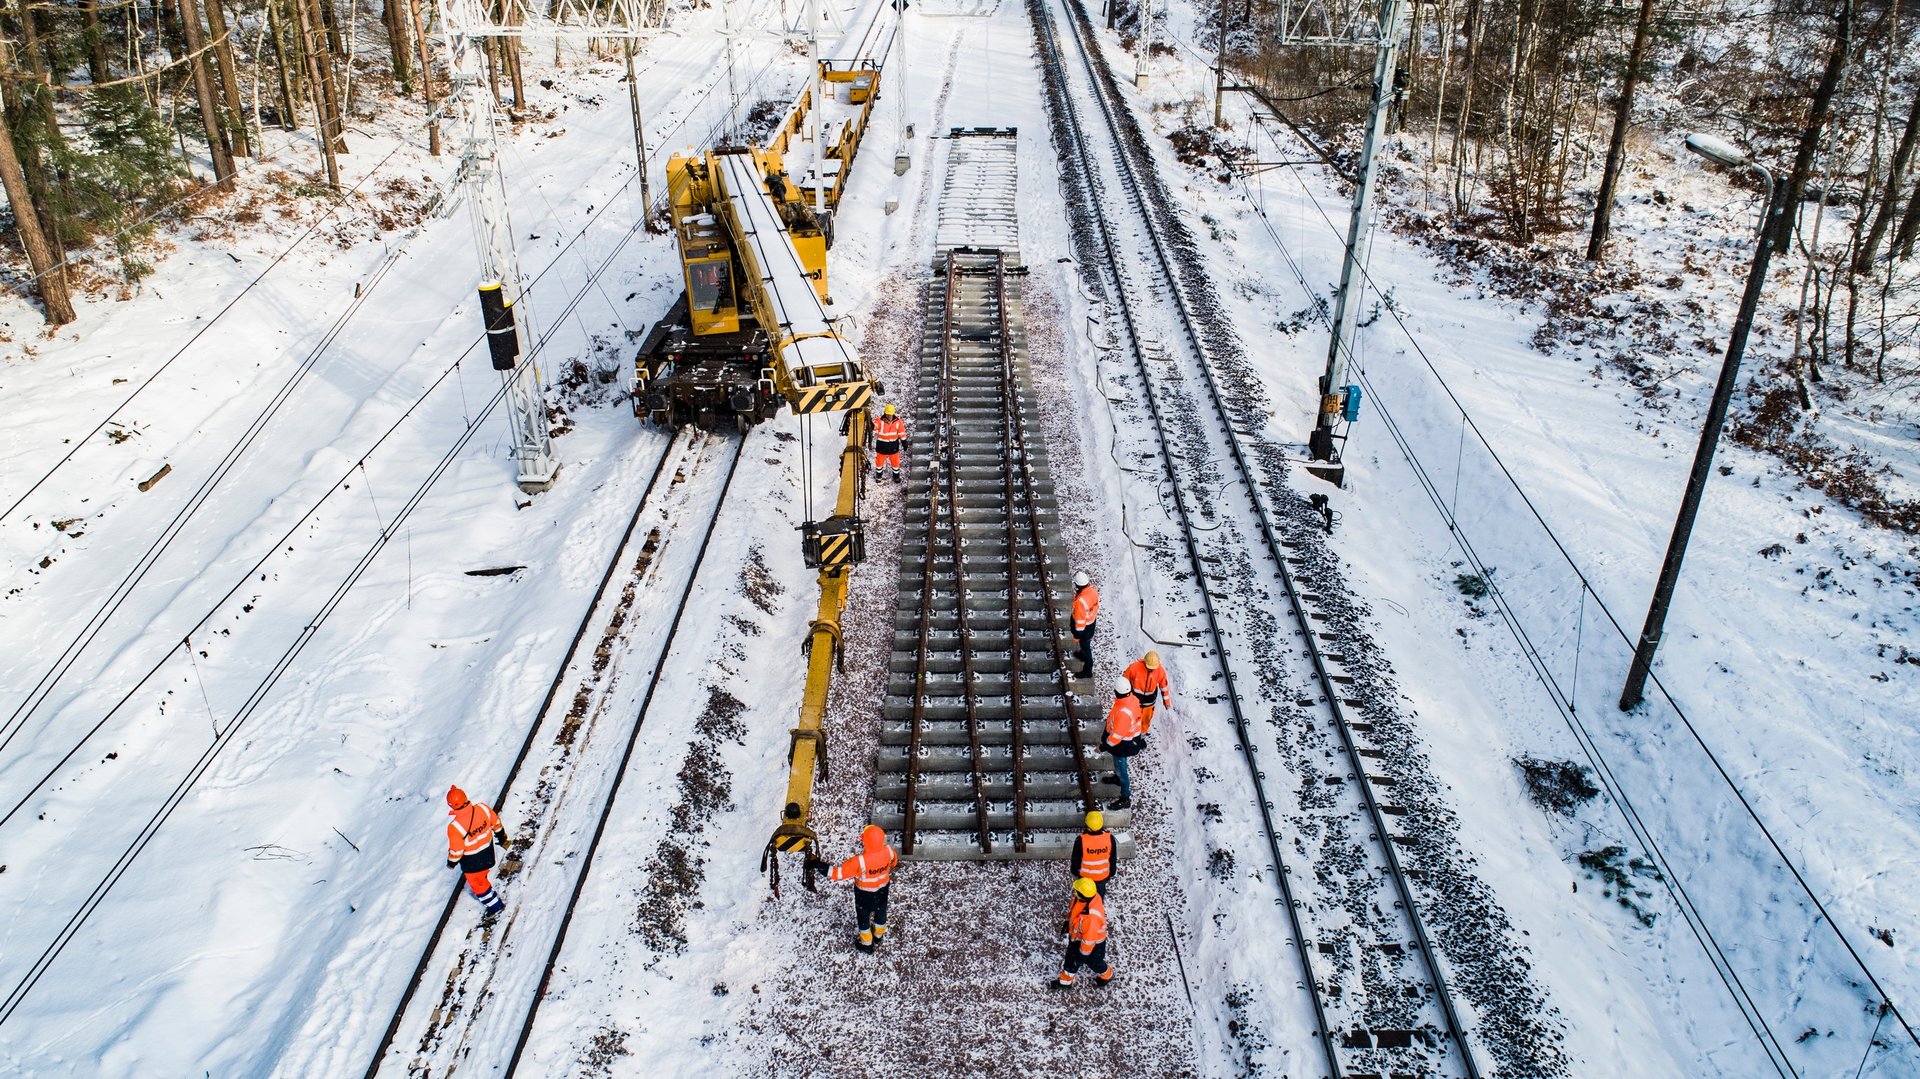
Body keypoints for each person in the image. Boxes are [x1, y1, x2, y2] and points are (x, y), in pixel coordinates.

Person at [827, 824, 898, 952]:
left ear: (864, 841)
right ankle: (878, 935)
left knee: (863, 917)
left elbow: (838, 874)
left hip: (864, 895)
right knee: (881, 912)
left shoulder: (859, 861)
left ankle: (866, 944)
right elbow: (894, 862)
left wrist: (819, 866)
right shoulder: (889, 851)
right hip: (883, 890)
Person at [445, 784, 509, 917]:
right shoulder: (482, 808)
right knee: (483, 874)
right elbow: (496, 823)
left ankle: (495, 906)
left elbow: (457, 851)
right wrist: (502, 837)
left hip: (472, 861)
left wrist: (451, 863)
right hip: (488, 852)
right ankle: (485, 879)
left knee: (479, 885)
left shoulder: (454, 827)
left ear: (451, 805)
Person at [1051, 876, 1112, 990]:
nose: (1074, 892)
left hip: (1088, 944)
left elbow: (1089, 940)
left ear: (1083, 895)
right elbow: (1074, 911)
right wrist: (1068, 922)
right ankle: (1106, 975)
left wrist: (1082, 955)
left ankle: (1065, 983)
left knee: (1080, 962)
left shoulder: (1091, 918)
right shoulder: (1087, 898)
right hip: (1081, 939)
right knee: (1091, 962)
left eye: (1076, 891)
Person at [1103, 676, 1146, 810]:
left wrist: (1103, 746)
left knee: (1122, 768)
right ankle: (1117, 778)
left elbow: (1116, 737)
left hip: (1124, 744)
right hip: (1128, 740)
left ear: (1116, 692)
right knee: (1119, 766)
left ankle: (1125, 798)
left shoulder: (1124, 712)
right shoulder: (1131, 699)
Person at [1123, 650, 1171, 733]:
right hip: (1134, 701)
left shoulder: (1160, 670)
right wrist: (1123, 698)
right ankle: (1130, 735)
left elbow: (1164, 687)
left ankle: (1142, 734)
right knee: (1131, 719)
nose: (1151, 670)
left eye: (1153, 668)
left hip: (1149, 703)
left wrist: (1167, 702)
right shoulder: (1134, 667)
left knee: (1146, 720)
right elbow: (1124, 681)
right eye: (1149, 668)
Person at [1070, 810, 1114, 896]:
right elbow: (1112, 857)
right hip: (1102, 876)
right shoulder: (1109, 838)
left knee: (1084, 897)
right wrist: (1111, 873)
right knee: (1098, 898)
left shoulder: (1081, 840)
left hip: (1085, 877)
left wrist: (1075, 872)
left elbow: (1075, 859)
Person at [1069, 571, 1099, 677]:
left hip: (1084, 628)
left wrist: (1077, 635)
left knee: (1086, 647)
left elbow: (1080, 623)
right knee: (1085, 644)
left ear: (1077, 585)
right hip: (1091, 624)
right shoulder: (1093, 591)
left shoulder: (1080, 601)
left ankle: (1087, 671)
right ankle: (1082, 654)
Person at [873, 404, 907, 482]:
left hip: (893, 447)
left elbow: (902, 432)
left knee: (895, 463)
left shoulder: (898, 422)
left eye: (890, 414)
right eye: (887, 414)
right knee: (879, 463)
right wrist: (870, 424)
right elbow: (874, 426)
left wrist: (904, 441)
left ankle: (896, 477)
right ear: (885, 413)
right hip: (882, 447)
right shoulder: (879, 421)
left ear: (893, 414)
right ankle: (878, 476)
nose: (889, 416)